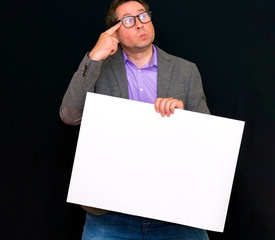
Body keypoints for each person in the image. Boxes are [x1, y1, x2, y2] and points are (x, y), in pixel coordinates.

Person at [60, 0, 210, 239]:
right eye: (128, 20)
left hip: (175, 210)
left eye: (143, 16)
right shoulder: (100, 68)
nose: (140, 24)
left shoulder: (186, 70)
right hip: (111, 215)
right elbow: (70, 116)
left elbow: (208, 139)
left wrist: (184, 118)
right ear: (115, 31)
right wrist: (94, 57)